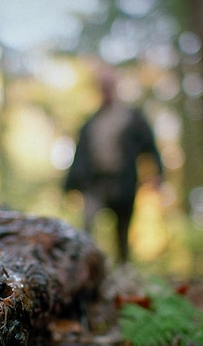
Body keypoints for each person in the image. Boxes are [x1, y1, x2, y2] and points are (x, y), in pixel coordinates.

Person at [64, 69, 163, 263]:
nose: (106, 89)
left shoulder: (132, 118)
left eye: (109, 85)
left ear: (116, 86)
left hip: (124, 184)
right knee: (87, 227)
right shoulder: (92, 122)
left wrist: (157, 173)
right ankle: (85, 269)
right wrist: (70, 186)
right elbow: (80, 155)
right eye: (103, 85)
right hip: (95, 183)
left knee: (123, 232)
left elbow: (150, 146)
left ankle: (123, 272)